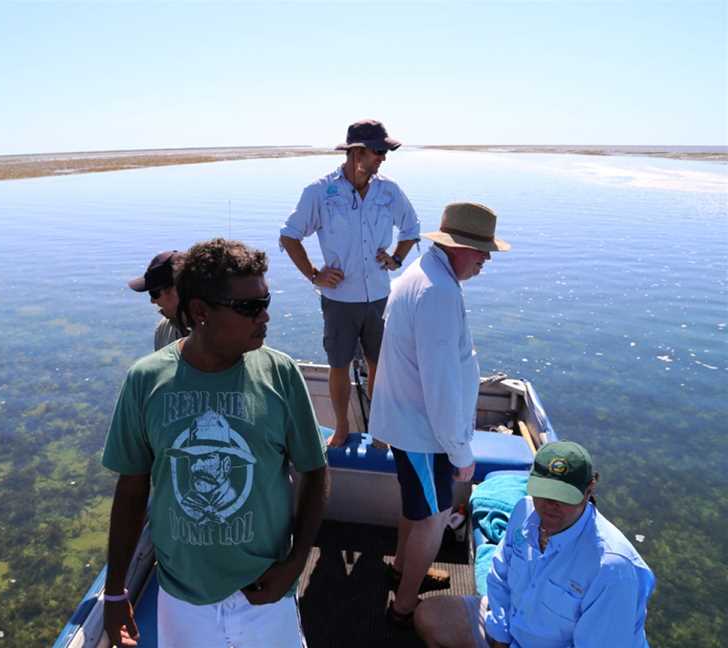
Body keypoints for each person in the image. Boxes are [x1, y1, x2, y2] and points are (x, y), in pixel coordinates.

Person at [102, 238, 330, 648]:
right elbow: (132, 487)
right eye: (248, 308)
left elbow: (314, 471)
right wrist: (116, 590)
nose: (265, 316)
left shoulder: (281, 374)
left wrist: (295, 563)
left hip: (266, 592)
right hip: (182, 599)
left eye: (266, 301)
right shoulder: (145, 380)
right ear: (200, 313)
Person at [368, 202, 511, 627]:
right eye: (481, 250)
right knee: (432, 519)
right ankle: (405, 604)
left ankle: (400, 569)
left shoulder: (418, 276)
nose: (486, 258)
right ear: (456, 247)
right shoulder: (439, 293)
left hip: (408, 424)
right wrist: (460, 450)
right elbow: (442, 385)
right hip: (425, 434)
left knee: (416, 508)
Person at [414, 441, 657, 648]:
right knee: (430, 616)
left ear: (589, 490)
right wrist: (499, 637)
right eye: (544, 491)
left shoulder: (613, 569)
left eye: (563, 496)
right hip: (514, 629)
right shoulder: (524, 511)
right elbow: (500, 578)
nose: (550, 505)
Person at [279, 119, 421, 447]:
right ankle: (341, 427)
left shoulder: (389, 191)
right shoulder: (319, 191)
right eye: (378, 151)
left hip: (379, 297)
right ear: (356, 152)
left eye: (386, 151)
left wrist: (397, 259)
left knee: (380, 366)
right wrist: (314, 274)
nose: (383, 157)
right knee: (339, 364)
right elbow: (289, 235)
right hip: (339, 299)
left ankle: (381, 431)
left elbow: (412, 228)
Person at [128, 249, 185, 350]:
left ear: (175, 290)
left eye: (154, 293)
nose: (152, 301)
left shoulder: (216, 333)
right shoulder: (163, 330)